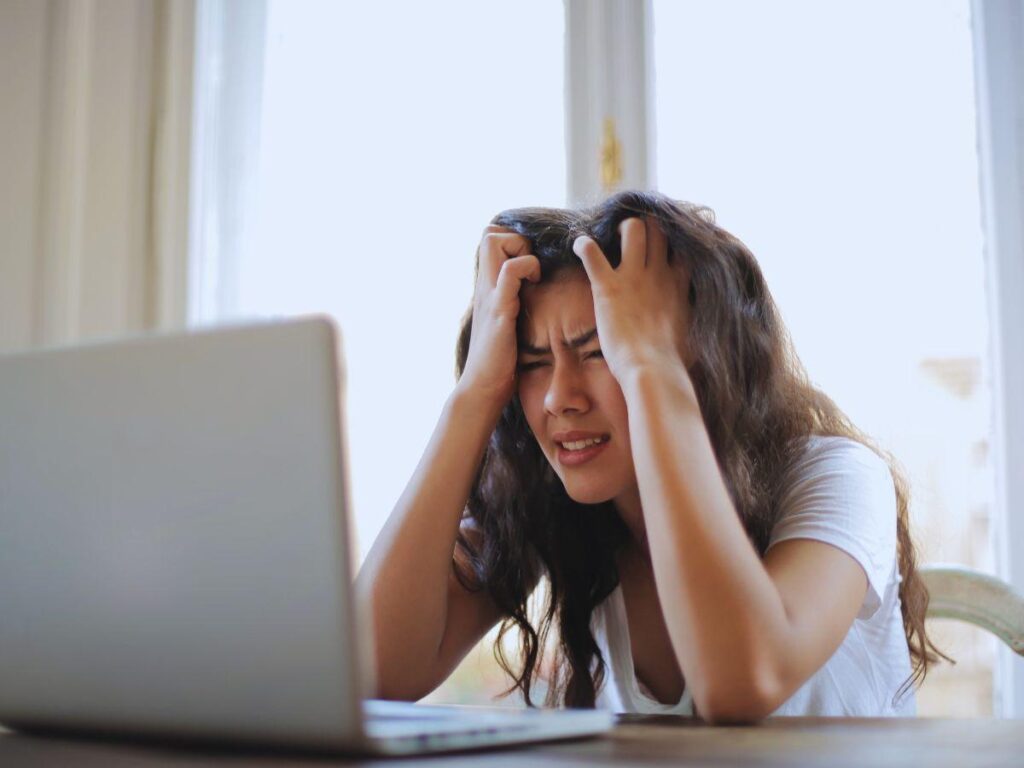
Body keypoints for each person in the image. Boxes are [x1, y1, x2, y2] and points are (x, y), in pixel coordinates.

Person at [355, 190, 947, 722]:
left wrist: (650, 368)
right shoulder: (555, 507)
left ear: (700, 358)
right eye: (532, 363)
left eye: (601, 351)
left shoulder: (839, 477)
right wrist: (475, 393)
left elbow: (742, 683)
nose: (560, 398)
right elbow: (371, 674)